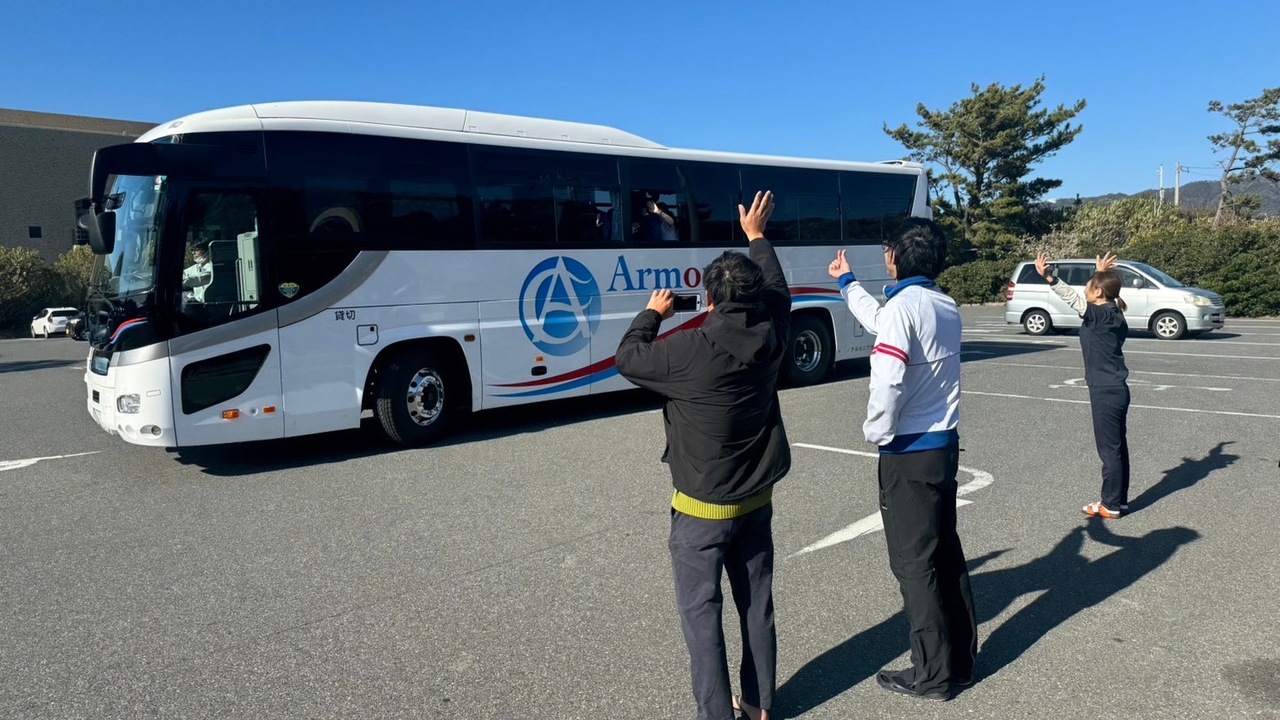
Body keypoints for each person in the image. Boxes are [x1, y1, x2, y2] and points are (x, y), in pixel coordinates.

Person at [616, 191, 788, 720]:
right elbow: (776, 287)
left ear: (709, 300)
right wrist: (757, 236)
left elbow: (628, 357)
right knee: (756, 607)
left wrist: (651, 314)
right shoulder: (774, 327)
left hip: (701, 510)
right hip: (756, 499)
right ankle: (759, 706)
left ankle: (716, 714)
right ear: (755, 297)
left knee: (701, 614)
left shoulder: (688, 349)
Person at [826, 219, 977, 702]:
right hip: (942, 445)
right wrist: (848, 284)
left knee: (914, 565)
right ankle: (960, 660)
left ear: (894, 256)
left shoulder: (903, 309)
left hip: (908, 453)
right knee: (944, 552)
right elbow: (884, 320)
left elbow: (887, 379)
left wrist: (877, 433)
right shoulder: (942, 304)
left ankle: (931, 674)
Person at [1035, 251, 1131, 518]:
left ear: (1099, 293)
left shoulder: (1099, 315)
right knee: (1117, 447)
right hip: (1117, 388)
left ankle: (1110, 505)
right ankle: (1119, 500)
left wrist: (1050, 278)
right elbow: (1088, 295)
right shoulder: (1112, 312)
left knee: (1108, 450)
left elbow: (1073, 298)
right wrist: (1099, 273)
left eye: (1091, 285)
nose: (1086, 289)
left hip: (1105, 390)